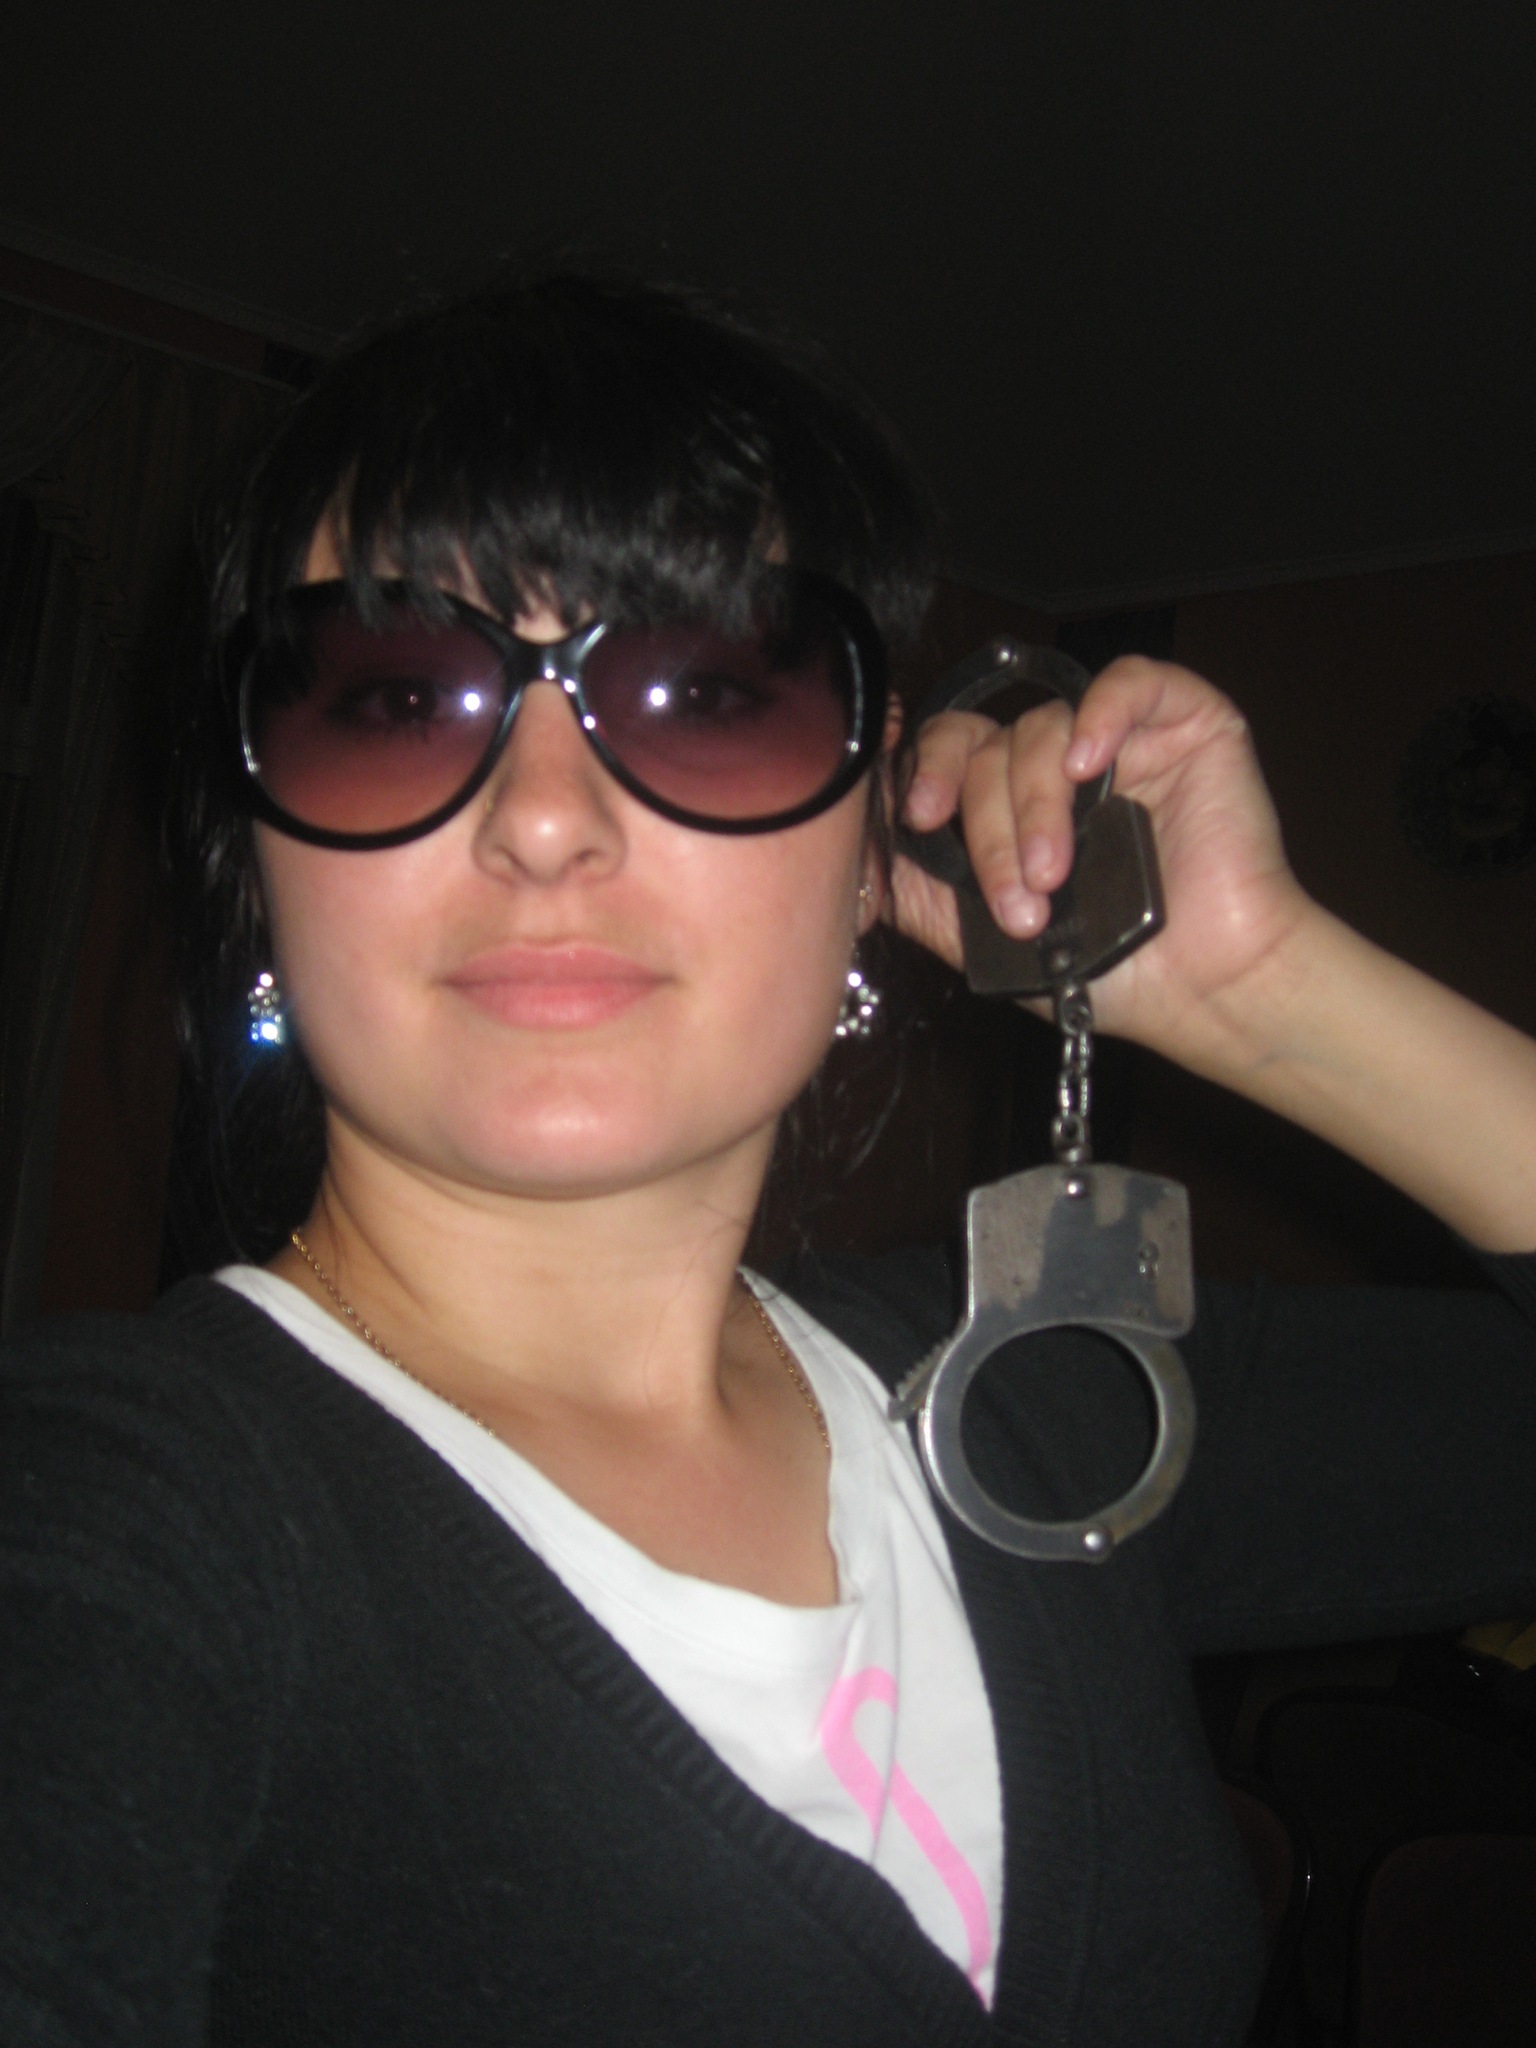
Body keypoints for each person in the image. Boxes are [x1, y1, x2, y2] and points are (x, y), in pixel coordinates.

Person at [3, 274, 1535, 2048]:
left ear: (874, 829)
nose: (546, 820)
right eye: (397, 698)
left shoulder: (1044, 1410)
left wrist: (1264, 994)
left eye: (709, 693)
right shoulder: (120, 1507)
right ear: (260, 839)